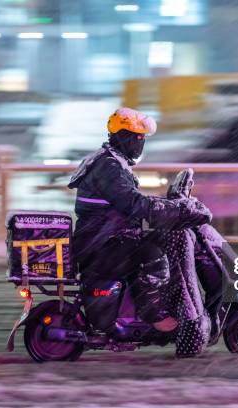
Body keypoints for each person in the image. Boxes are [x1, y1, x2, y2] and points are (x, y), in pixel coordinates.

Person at [68, 107, 211, 334]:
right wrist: (174, 210)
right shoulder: (109, 167)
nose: (141, 143)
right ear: (124, 137)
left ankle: (167, 306)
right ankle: (151, 314)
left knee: (161, 243)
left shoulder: (112, 161)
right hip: (100, 244)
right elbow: (135, 205)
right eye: (138, 137)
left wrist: (172, 207)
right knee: (152, 257)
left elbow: (135, 203)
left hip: (106, 237)